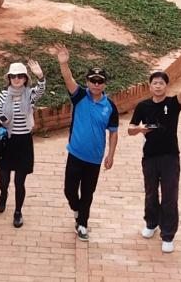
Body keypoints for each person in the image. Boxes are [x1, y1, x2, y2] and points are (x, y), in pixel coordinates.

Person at [52, 45, 118, 241]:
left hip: (94, 159)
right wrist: (64, 64)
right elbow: (68, 79)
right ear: (87, 82)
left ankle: (82, 224)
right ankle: (77, 210)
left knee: (88, 193)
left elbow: (113, 132)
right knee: (69, 190)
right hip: (75, 154)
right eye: (93, 80)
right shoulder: (80, 96)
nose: (96, 84)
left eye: (100, 81)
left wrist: (111, 155)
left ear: (104, 84)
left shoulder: (110, 106)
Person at [129, 63, 181, 252]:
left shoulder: (173, 104)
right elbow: (130, 129)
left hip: (170, 157)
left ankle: (168, 235)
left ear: (166, 86)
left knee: (169, 196)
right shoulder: (143, 106)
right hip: (150, 156)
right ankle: (151, 224)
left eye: (161, 83)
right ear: (150, 86)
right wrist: (140, 129)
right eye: (155, 83)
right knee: (150, 192)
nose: (158, 86)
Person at [0, 58, 45, 228]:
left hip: (23, 142)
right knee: (3, 179)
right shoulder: (3, 95)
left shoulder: (29, 94)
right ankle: (3, 195)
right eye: (13, 76)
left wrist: (40, 76)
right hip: (7, 141)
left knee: (19, 182)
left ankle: (18, 212)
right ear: (9, 78)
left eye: (20, 76)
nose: (16, 79)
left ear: (25, 78)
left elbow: (41, 90)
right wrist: (1, 120)